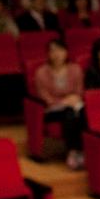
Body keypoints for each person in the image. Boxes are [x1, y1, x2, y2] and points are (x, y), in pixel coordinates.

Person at [33, 39, 85, 169]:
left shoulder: (75, 69)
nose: (57, 54)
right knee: (69, 113)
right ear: (48, 54)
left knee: (79, 113)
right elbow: (44, 97)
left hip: (73, 105)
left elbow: (79, 91)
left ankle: (80, 151)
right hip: (51, 110)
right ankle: (73, 152)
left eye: (60, 50)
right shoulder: (41, 72)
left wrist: (74, 99)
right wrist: (63, 102)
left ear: (66, 52)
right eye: (53, 51)